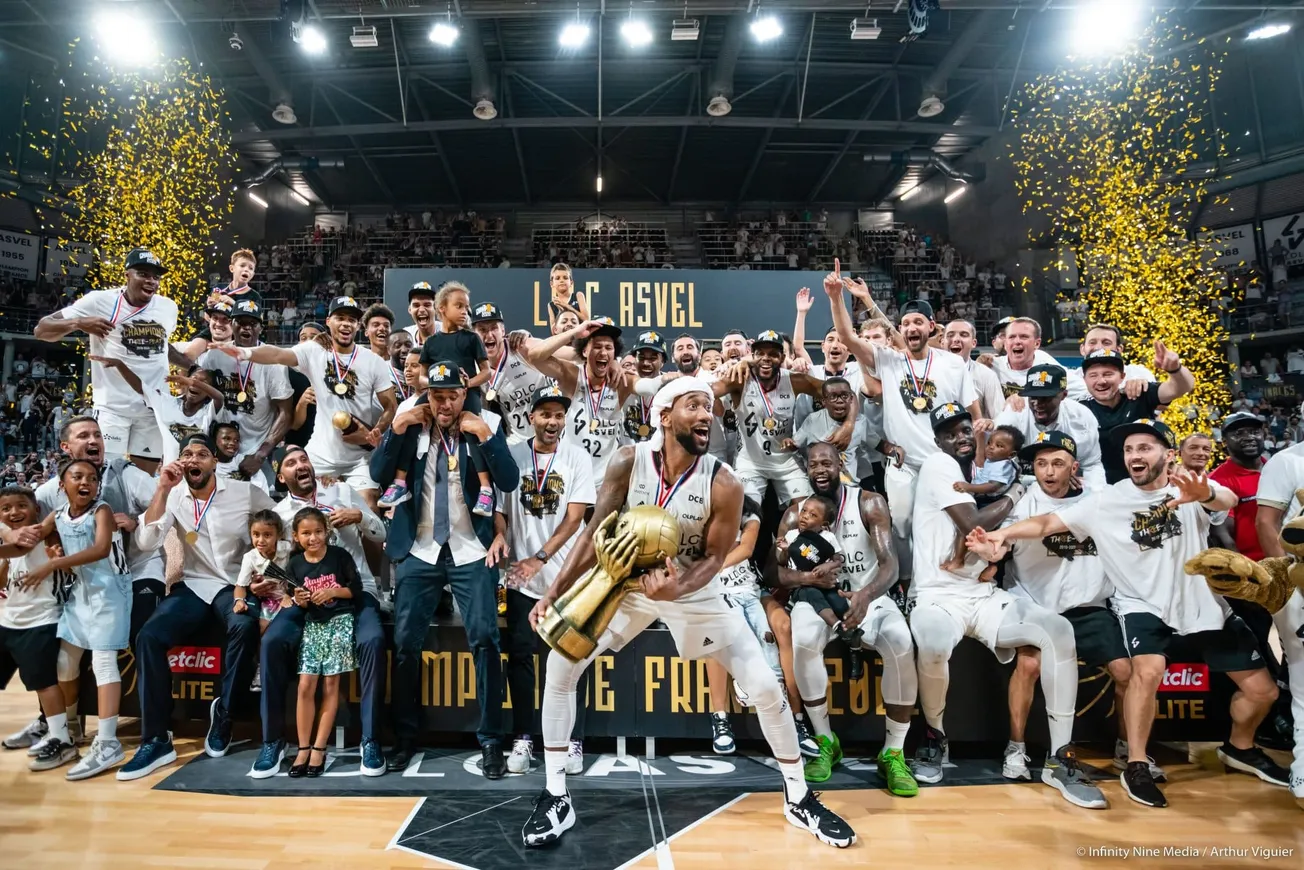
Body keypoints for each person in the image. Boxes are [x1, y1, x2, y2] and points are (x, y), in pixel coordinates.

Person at [521, 378, 855, 849]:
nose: (706, 414)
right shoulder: (626, 461)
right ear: (663, 416)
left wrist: (677, 586)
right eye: (694, 405)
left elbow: (716, 559)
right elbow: (593, 530)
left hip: (692, 590)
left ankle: (798, 796)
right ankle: (556, 793)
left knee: (761, 684)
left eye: (710, 407)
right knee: (560, 665)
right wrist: (554, 591)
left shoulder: (724, 481)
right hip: (625, 584)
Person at [976, 418, 1288, 808]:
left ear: (1167, 454)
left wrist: (1204, 492)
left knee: (1264, 692)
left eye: (1144, 448)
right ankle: (1136, 763)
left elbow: (1225, 501)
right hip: (1142, 604)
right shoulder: (1107, 500)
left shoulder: (1188, 487)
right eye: (1128, 450)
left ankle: (1239, 747)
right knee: (1146, 671)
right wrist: (1002, 535)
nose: (1135, 456)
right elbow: (1047, 523)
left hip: (1203, 605)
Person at [908, 404, 1104, 809]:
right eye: (950, 433)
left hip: (982, 596)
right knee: (930, 641)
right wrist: (1016, 490)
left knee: (1057, 631)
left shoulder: (983, 477)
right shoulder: (938, 465)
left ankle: (1060, 757)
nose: (961, 437)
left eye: (967, 430)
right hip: (936, 595)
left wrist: (992, 557)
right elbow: (973, 523)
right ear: (939, 441)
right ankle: (934, 736)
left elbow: (1000, 543)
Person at [370, 361, 518, 777]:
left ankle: (490, 740)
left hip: (471, 547)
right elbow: (378, 474)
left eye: (453, 394)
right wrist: (395, 430)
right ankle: (404, 737)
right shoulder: (410, 422)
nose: (446, 403)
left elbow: (507, 480)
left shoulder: (485, 420)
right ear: (428, 396)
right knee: (404, 644)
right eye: (438, 396)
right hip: (419, 548)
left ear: (463, 393)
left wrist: (487, 438)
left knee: (486, 640)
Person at [986, 431, 1156, 786]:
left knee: (1126, 672)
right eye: (1041, 463)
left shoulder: (1098, 502)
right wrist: (992, 552)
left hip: (1088, 606)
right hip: (1036, 605)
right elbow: (998, 550)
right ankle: (1015, 747)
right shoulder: (1019, 504)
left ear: (1074, 468)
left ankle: (1128, 749)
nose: (1048, 471)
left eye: (1057, 463)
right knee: (1029, 664)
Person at [119, 434, 277, 781]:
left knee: (244, 626)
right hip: (194, 585)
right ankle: (157, 738)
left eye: (202, 454)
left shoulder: (242, 491)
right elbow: (146, 541)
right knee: (149, 636)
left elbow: (281, 524)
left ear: (214, 463)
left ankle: (224, 714)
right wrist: (161, 488)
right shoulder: (174, 495)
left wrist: (270, 571)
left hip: (235, 584)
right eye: (187, 454)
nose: (194, 459)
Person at [776, 442, 917, 793]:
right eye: (813, 464)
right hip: (818, 598)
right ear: (806, 470)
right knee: (804, 638)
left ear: (841, 462)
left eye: (827, 462)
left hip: (868, 595)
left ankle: (893, 752)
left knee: (901, 642)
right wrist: (808, 578)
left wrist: (867, 596)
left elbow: (890, 565)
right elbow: (774, 574)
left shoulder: (868, 502)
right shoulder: (796, 513)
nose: (820, 469)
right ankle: (826, 742)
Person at [254, 446, 389, 778]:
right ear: (281, 476)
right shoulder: (280, 514)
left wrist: (361, 517)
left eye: (304, 459)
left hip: (354, 593)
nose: (301, 465)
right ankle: (272, 740)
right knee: (272, 642)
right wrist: (264, 585)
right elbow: (275, 565)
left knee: (372, 640)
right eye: (290, 463)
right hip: (307, 602)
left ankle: (370, 740)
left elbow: (381, 533)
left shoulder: (341, 490)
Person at [826, 262, 982, 545]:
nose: (912, 328)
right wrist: (836, 298)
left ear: (931, 327)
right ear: (901, 329)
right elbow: (848, 337)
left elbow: (973, 412)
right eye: (906, 323)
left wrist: (977, 457)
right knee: (901, 525)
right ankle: (908, 586)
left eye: (918, 322)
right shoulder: (889, 360)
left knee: (952, 523)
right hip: (903, 463)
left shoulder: (952, 364)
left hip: (946, 460)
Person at [495, 385, 596, 774]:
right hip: (521, 577)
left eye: (559, 415)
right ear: (531, 418)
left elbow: (574, 519)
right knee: (521, 659)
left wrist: (540, 558)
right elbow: (501, 508)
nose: (553, 422)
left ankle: (573, 740)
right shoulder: (513, 455)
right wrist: (502, 533)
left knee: (572, 659)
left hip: (567, 577)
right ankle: (523, 737)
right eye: (546, 414)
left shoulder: (578, 458)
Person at [217, 296, 397, 510]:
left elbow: (391, 406)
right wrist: (246, 352)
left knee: (368, 507)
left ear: (358, 325)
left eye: (352, 319)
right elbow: (277, 354)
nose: (346, 323)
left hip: (361, 457)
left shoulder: (372, 361)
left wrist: (377, 430)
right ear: (329, 321)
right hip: (321, 454)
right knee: (302, 510)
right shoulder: (313, 351)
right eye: (340, 317)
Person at [20, 458, 132, 780]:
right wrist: (21, 541)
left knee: (103, 664)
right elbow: (35, 536)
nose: (87, 482)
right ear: (62, 484)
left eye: (93, 478)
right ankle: (67, 735)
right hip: (80, 593)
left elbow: (99, 550)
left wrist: (51, 564)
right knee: (64, 665)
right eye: (78, 476)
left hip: (110, 592)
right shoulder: (57, 515)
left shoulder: (102, 511)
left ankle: (108, 742)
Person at [34, 248, 177, 468]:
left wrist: (192, 366)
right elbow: (41, 329)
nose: (151, 281)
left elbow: (162, 347)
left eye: (155, 276)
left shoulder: (168, 307)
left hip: (153, 407)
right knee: (107, 475)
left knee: (143, 480)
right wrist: (79, 323)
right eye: (144, 274)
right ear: (127, 274)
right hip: (113, 408)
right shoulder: (99, 300)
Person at [380, 283, 494, 512]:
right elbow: (422, 379)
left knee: (473, 430)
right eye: (459, 306)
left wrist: (467, 384)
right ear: (442, 309)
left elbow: (487, 372)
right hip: (438, 395)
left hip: (466, 394)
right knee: (412, 421)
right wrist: (435, 385)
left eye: (467, 307)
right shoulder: (431, 342)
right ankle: (400, 482)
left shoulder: (472, 338)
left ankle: (485, 490)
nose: (465, 311)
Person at [715, 329, 845, 507]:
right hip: (750, 462)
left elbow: (842, 391)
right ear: (752, 356)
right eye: (760, 353)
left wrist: (849, 424)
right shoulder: (740, 379)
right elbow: (708, 391)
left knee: (808, 509)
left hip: (785, 461)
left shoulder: (794, 380)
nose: (766, 358)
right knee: (745, 514)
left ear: (783, 357)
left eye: (773, 354)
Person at [0, 486, 76, 772]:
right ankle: (45, 731)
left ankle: (61, 738)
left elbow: (33, 538)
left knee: (44, 683)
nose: (14, 512)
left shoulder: (47, 533)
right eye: (6, 508)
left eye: (21, 506)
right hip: (9, 620)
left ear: (35, 509)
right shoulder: (9, 542)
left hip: (42, 619)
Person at [285, 507, 362, 778]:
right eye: (306, 533)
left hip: (340, 621)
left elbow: (356, 589)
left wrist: (332, 591)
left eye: (318, 532)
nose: (313, 538)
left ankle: (319, 748)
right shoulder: (294, 563)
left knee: (331, 685)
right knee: (306, 685)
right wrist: (300, 599)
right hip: (312, 625)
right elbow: (291, 596)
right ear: (296, 536)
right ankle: (303, 747)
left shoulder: (339, 556)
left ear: (327, 533)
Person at [522, 317, 636, 491]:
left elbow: (648, 385)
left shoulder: (619, 379)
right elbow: (534, 356)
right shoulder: (572, 374)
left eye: (608, 347)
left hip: (607, 479)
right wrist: (575, 333)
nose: (603, 351)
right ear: (584, 350)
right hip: (570, 473)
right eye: (597, 345)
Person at [198, 299, 293, 484]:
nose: (246, 328)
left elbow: (286, 413)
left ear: (260, 327)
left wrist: (260, 455)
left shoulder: (272, 361)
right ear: (231, 324)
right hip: (219, 450)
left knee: (262, 506)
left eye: (252, 323)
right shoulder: (215, 355)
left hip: (255, 451)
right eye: (240, 322)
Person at [1080, 347, 1194, 483]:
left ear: (1122, 376)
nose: (1101, 381)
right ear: (1084, 379)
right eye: (1093, 375)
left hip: (1151, 485)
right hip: (1103, 491)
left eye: (1108, 374)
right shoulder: (1079, 410)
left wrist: (1175, 369)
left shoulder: (1139, 394)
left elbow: (1180, 388)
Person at [995, 364, 1106, 488]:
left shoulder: (1082, 418)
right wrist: (1042, 482)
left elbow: (1091, 465)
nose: (1037, 403)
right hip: (1020, 485)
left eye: (1045, 398)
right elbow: (996, 467)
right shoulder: (1012, 416)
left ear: (1063, 395)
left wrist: (1096, 495)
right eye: (1033, 397)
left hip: (1069, 488)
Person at [473, 301, 549, 445]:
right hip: (519, 440)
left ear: (503, 330)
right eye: (482, 330)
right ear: (474, 335)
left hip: (553, 433)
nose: (489, 335)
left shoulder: (521, 346)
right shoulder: (475, 370)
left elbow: (555, 351)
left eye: (494, 328)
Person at [778, 496, 847, 640]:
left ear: (824, 523)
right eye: (803, 511)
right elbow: (782, 562)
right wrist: (785, 550)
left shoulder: (827, 538)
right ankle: (836, 626)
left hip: (826, 584)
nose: (804, 517)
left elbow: (838, 560)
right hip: (802, 586)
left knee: (840, 604)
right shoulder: (791, 535)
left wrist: (827, 565)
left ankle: (851, 634)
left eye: (813, 515)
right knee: (813, 596)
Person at [792, 377, 867, 483]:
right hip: (818, 482)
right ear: (823, 401)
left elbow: (878, 443)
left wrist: (849, 425)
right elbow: (795, 445)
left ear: (850, 399)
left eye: (844, 396)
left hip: (850, 482)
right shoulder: (814, 420)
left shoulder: (861, 421)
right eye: (833, 397)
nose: (839, 401)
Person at [234, 510, 292, 633]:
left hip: (290, 597)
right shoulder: (250, 557)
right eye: (256, 534)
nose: (260, 540)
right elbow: (241, 585)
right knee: (262, 629)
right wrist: (239, 601)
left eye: (267, 535)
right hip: (268, 600)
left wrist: (289, 595)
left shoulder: (287, 549)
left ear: (279, 535)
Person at [1065, 324, 1157, 402]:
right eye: (1092, 342)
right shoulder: (1070, 378)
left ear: (1119, 349)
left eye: (1106, 343)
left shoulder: (1138, 373)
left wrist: (1144, 391)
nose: (1098, 348)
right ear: (1082, 349)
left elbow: (1160, 405)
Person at [620, 331, 667, 443]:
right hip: (628, 454)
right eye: (641, 357)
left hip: (659, 455)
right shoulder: (625, 383)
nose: (646, 363)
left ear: (663, 361)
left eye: (652, 358)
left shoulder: (670, 386)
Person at [545, 262, 590, 334]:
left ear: (571, 282)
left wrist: (566, 306)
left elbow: (586, 319)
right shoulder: (551, 305)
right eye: (557, 278)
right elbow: (553, 331)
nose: (562, 280)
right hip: (563, 341)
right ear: (551, 284)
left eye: (565, 278)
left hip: (579, 339)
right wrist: (561, 310)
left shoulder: (578, 296)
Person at [403, 281, 441, 346]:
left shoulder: (448, 332)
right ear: (410, 310)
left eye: (427, 305)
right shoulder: (405, 335)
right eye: (416, 305)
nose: (421, 310)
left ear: (436, 308)